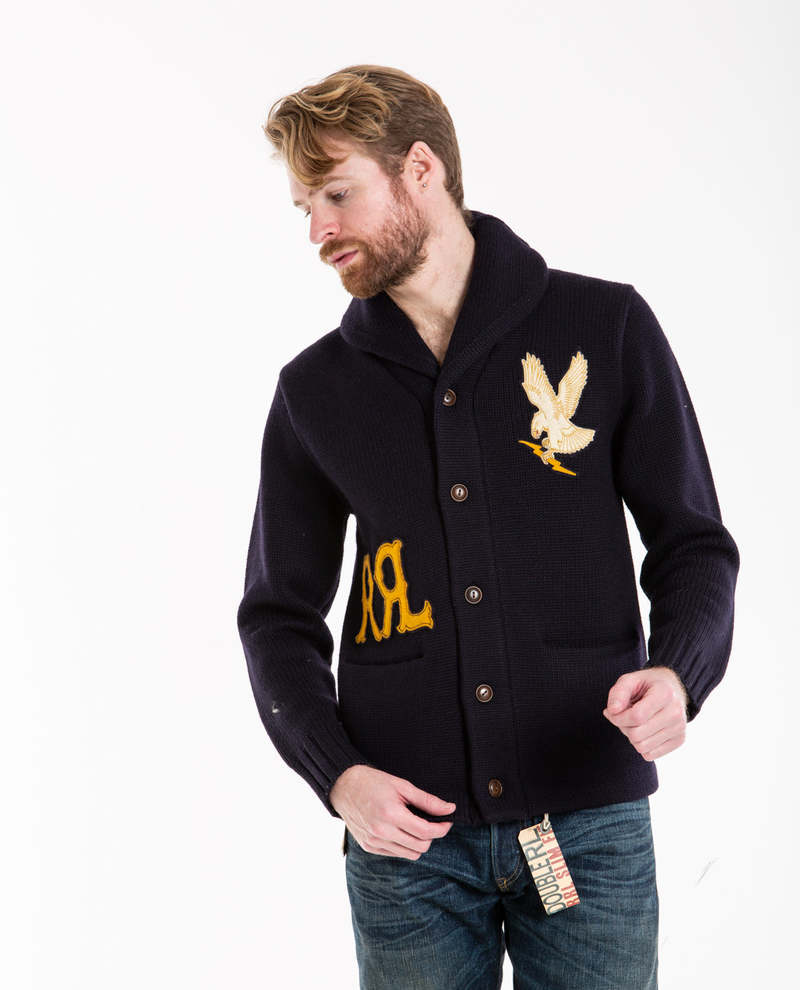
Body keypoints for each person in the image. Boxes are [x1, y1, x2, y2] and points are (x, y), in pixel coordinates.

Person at [236, 64, 739, 989]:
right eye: (304, 207)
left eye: (337, 195)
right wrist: (337, 775)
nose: (317, 231)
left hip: (587, 823)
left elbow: (695, 545)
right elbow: (277, 617)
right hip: (406, 846)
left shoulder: (605, 326)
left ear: (420, 169)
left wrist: (681, 670)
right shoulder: (315, 391)